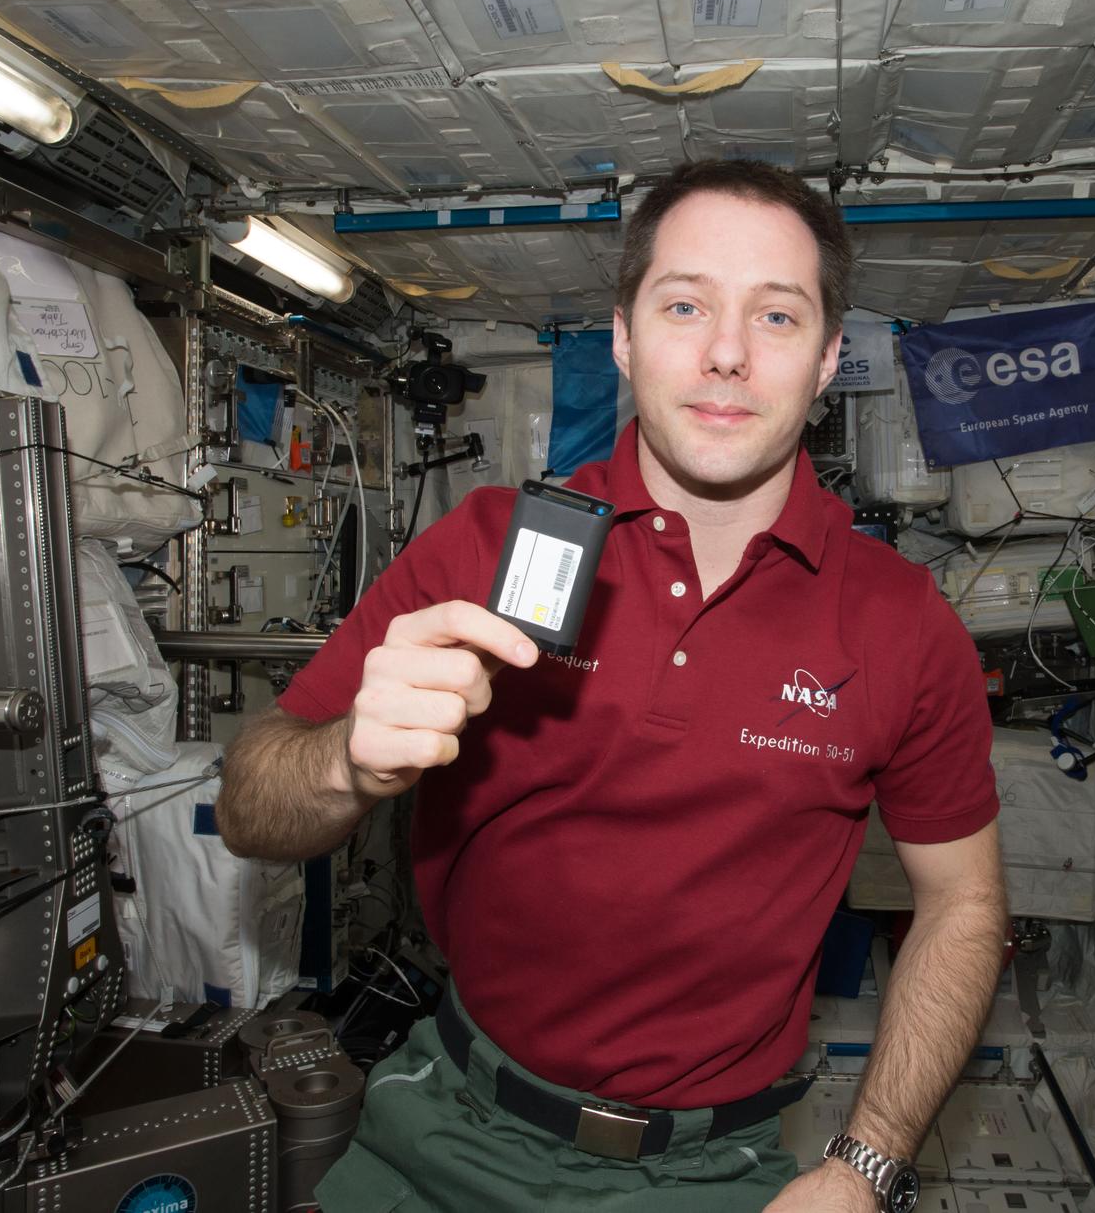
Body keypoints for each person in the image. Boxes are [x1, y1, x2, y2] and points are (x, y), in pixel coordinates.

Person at [216, 159, 1008, 1213]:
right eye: (686, 304)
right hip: (448, 1117)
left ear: (826, 361)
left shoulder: (903, 622)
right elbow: (248, 804)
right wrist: (345, 755)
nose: (726, 352)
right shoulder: (488, 547)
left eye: (776, 317)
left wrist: (865, 1164)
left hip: (711, 1171)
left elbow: (963, 901)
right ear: (625, 337)